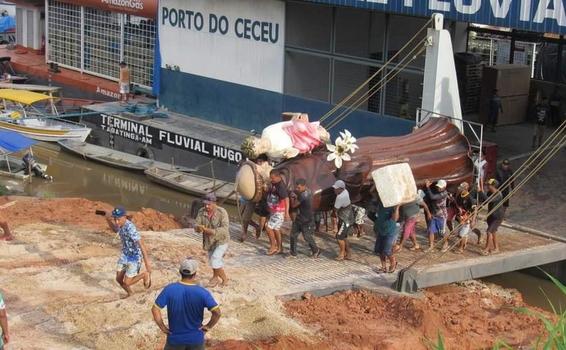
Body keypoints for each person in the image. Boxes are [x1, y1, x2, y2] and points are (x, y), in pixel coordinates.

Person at [152, 258, 221, 350]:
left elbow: (155, 309)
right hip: (196, 340)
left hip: (175, 340)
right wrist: (208, 327)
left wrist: (163, 327)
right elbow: (217, 313)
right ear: (195, 274)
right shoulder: (202, 292)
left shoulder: (169, 289)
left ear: (180, 272)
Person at [105, 206, 152, 297]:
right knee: (118, 279)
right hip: (125, 254)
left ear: (125, 217)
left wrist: (147, 264)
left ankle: (144, 275)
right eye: (115, 219)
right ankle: (130, 293)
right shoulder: (120, 224)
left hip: (134, 257)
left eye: (118, 219)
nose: (116, 222)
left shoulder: (131, 228)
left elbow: (141, 244)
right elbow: (115, 229)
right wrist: (107, 219)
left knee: (127, 282)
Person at [195, 193, 230, 287]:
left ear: (215, 203)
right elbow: (196, 224)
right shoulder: (201, 211)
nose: (206, 206)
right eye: (205, 204)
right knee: (213, 260)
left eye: (209, 204)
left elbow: (224, 229)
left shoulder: (222, 212)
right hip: (209, 241)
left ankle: (225, 279)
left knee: (215, 259)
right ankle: (215, 277)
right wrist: (198, 228)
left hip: (221, 240)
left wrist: (210, 231)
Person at [289, 179, 321, 258]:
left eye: (299, 188)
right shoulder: (307, 191)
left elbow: (293, 205)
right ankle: (293, 253)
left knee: (307, 236)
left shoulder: (304, 195)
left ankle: (316, 250)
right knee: (293, 235)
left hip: (306, 219)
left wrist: (292, 198)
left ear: (304, 186)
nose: (297, 189)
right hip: (299, 218)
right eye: (297, 187)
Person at [369, 198, 400, 273]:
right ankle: (383, 267)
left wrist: (397, 208)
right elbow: (372, 192)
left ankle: (393, 263)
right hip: (381, 230)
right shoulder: (381, 203)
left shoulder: (393, 206)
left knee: (387, 251)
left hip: (390, 231)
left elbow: (395, 218)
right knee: (380, 250)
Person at [265, 169, 289, 255]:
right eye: (270, 178)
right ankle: (280, 247)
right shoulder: (274, 183)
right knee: (276, 229)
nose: (271, 180)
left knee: (268, 227)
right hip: (274, 210)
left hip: (279, 212)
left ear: (278, 177)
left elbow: (286, 199)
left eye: (273, 178)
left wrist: (286, 212)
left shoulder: (281, 186)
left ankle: (273, 246)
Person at [479, 178, 506, 255]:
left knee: (489, 232)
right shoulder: (489, 192)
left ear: (493, 186)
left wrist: (480, 192)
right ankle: (496, 248)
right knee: (493, 232)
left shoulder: (498, 195)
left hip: (497, 217)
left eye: (489, 185)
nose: (487, 186)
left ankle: (486, 249)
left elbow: (488, 200)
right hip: (491, 215)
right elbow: (484, 201)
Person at [425, 179, 449, 252]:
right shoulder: (436, 191)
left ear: (444, 187)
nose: (439, 188)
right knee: (431, 231)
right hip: (433, 214)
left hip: (441, 216)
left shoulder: (444, 193)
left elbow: (433, 197)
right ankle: (431, 246)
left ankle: (446, 243)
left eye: (440, 187)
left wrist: (428, 187)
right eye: (438, 186)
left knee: (442, 232)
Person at [332, 180, 354, 261]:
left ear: (341, 189)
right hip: (348, 217)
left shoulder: (340, 197)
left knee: (339, 237)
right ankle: (348, 254)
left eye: (336, 189)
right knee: (344, 237)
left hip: (345, 219)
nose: (335, 190)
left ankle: (342, 254)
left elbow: (335, 209)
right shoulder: (345, 191)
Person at [455, 189, 476, 253]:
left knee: (462, 234)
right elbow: (458, 207)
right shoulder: (460, 197)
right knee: (459, 234)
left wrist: (473, 220)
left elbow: (475, 210)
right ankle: (463, 244)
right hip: (460, 216)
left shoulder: (471, 200)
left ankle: (461, 248)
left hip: (468, 218)